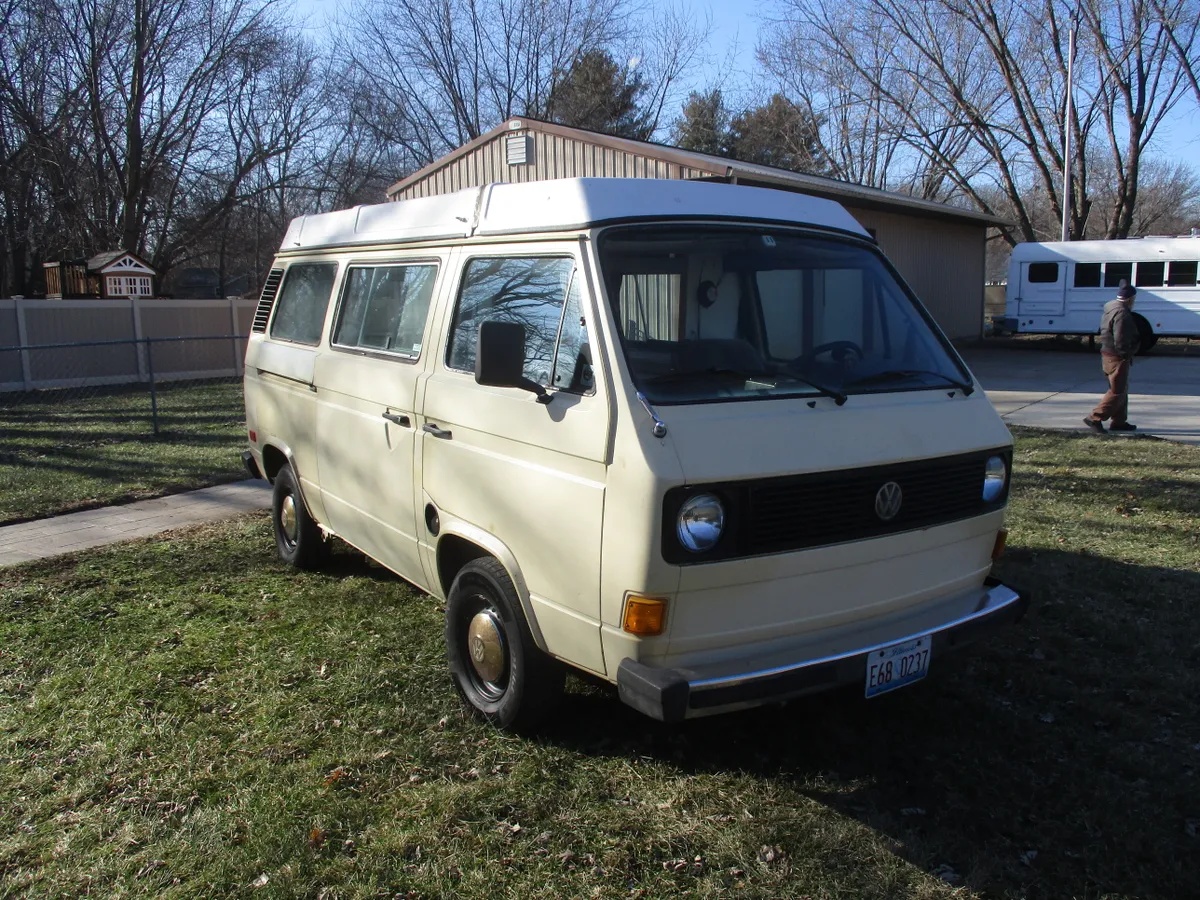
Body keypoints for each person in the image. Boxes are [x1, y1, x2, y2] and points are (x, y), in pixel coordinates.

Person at [1083, 280, 1139, 434]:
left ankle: (1119, 421)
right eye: (1134, 300)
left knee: (1121, 388)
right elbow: (1120, 338)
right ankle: (1095, 418)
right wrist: (1126, 354)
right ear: (1130, 299)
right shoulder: (1122, 313)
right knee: (1117, 391)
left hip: (1107, 354)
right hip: (1117, 356)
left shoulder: (1110, 308)